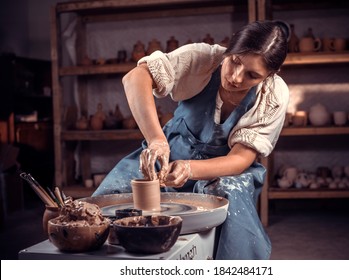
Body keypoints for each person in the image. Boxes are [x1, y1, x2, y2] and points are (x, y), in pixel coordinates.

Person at [93, 20, 290, 260]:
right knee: (100, 208)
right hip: (167, 152)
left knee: (227, 193)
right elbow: (135, 78)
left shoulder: (272, 94)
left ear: (271, 74)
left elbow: (240, 158)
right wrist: (156, 141)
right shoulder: (203, 58)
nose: (237, 78)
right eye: (235, 61)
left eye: (252, 75)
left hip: (224, 170)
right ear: (229, 48)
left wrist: (190, 168)